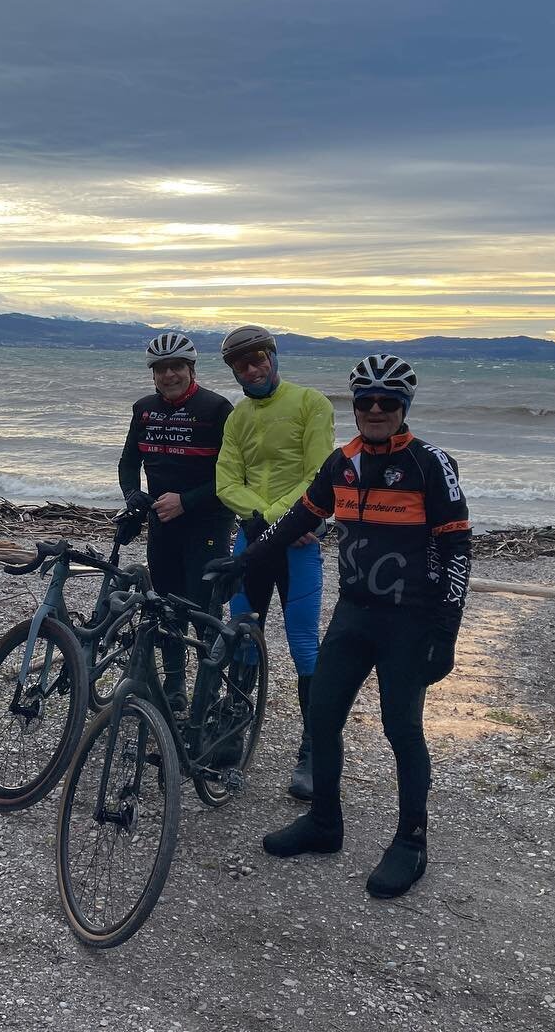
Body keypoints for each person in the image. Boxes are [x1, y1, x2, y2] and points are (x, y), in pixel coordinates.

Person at [230, 354, 471, 899]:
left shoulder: (432, 464)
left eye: (389, 402)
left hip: (411, 620)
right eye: (367, 402)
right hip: (355, 612)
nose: (377, 410)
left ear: (404, 408)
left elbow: (458, 548)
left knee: (401, 729)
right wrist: (243, 561)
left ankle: (411, 842)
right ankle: (324, 823)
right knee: (321, 713)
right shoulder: (342, 464)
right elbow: (300, 518)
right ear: (356, 406)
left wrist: (446, 632)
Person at [214, 325, 335, 799]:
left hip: (299, 541)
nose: (253, 368)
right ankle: (231, 737)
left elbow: (318, 472)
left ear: (273, 356)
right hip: (251, 537)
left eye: (259, 358)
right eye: (242, 364)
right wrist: (263, 515)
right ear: (235, 372)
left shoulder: (311, 403)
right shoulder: (238, 417)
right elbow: (227, 478)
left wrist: (281, 519)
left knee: (304, 643)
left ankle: (314, 748)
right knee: (242, 635)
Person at [118, 332, 235, 713]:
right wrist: (133, 496)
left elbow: (233, 474)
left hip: (207, 523)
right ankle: (174, 687)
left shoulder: (217, 409)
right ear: (153, 374)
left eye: (176, 368)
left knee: (202, 608)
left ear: (191, 369)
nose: (169, 375)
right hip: (163, 523)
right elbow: (128, 463)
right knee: (166, 606)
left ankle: (208, 690)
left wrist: (187, 501)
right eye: (161, 369)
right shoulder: (144, 409)